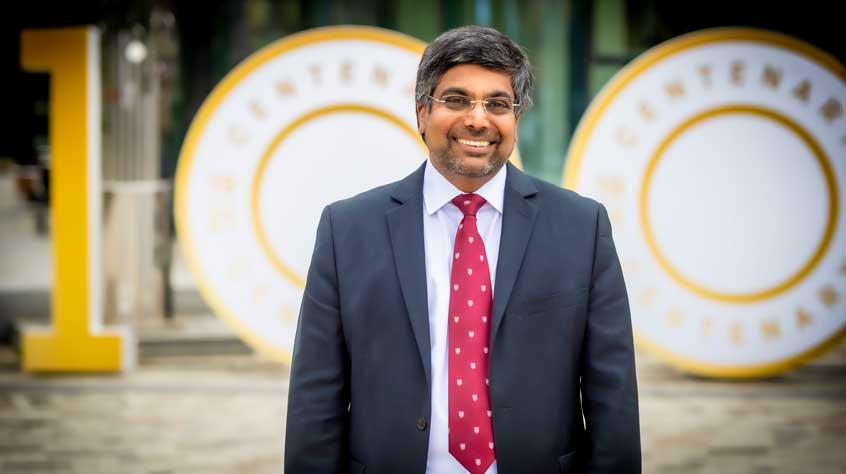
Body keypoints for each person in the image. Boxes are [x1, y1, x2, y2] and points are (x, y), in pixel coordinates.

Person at [284, 25, 640, 474]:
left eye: (498, 104)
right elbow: (316, 397)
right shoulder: (348, 229)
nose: (478, 119)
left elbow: (613, 394)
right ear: (422, 113)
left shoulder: (581, 226)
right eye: (456, 100)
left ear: (516, 120)